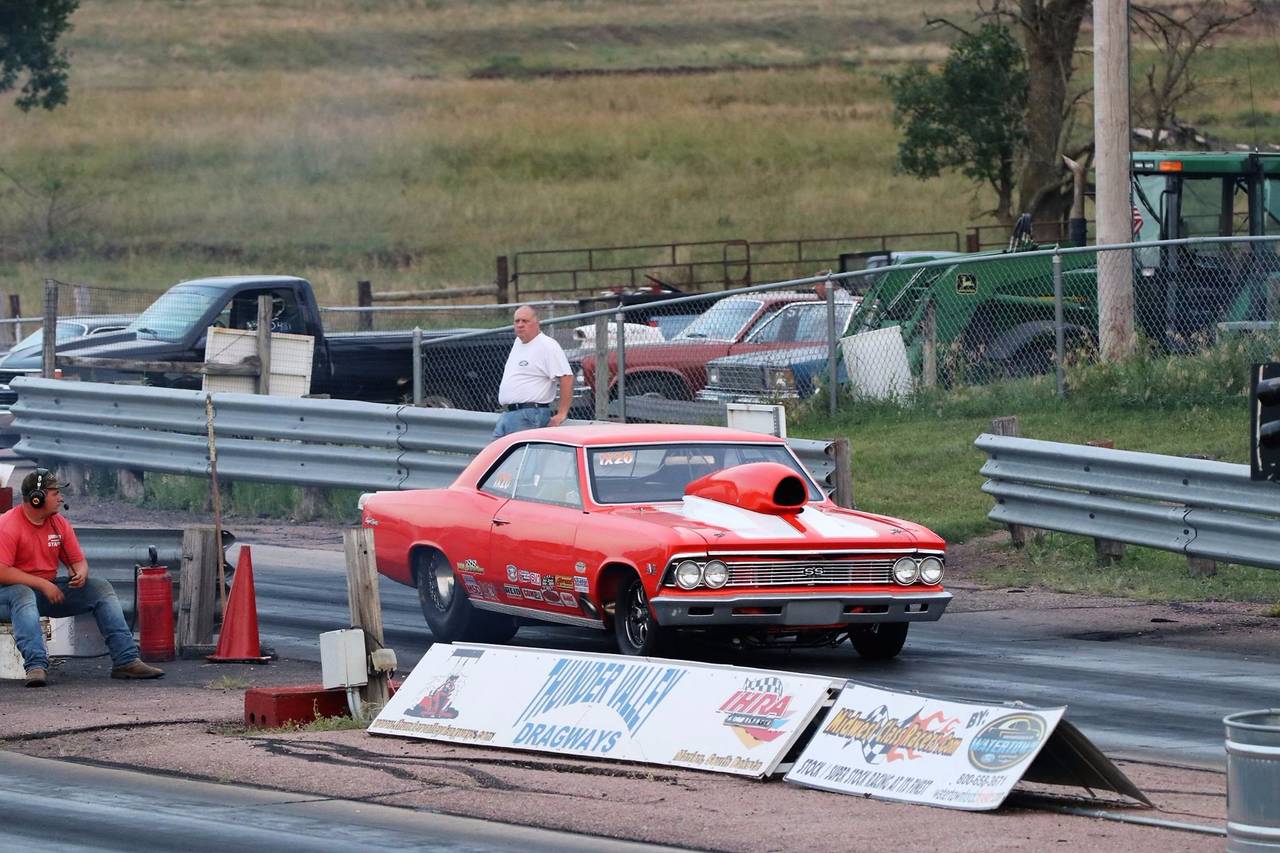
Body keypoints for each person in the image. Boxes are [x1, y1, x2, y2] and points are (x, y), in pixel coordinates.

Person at [0, 468, 165, 687]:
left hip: (43, 591)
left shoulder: (58, 524)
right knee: (23, 593)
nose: (60, 498)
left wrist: (80, 572)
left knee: (99, 588)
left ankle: (126, 660)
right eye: (54, 493)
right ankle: (36, 666)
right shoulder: (8, 524)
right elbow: (2, 571)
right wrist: (42, 584)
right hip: (7, 595)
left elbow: (78, 560)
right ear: (36, 498)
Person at [493, 305, 573, 439]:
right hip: (508, 414)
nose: (520, 325)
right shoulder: (517, 343)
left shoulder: (547, 345)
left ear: (537, 323)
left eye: (525, 321)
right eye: (517, 321)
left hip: (528, 414)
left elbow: (567, 377)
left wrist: (562, 413)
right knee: (495, 457)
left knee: (519, 458)